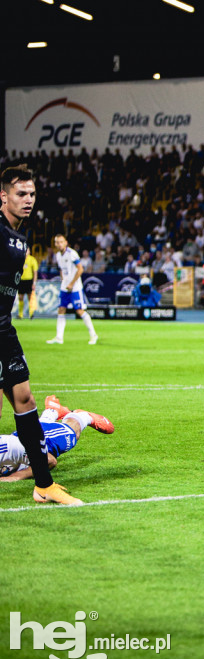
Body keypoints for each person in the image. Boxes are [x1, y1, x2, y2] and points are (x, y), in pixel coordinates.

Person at [0, 165, 82, 504]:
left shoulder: (22, 235)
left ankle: (44, 485)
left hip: (4, 329)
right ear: (3, 196)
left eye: (32, 194)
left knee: (25, 401)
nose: (28, 200)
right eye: (21, 194)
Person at [0, 395, 114, 481]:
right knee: (35, 431)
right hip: (17, 452)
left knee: (70, 433)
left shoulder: (8, 448)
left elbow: (49, 461)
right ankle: (52, 410)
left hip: (35, 443)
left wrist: (16, 477)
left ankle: (83, 417)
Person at [47, 234, 99, 345]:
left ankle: (93, 335)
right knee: (61, 309)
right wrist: (63, 281)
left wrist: (71, 283)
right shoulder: (58, 256)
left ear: (65, 242)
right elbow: (61, 269)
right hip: (65, 287)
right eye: (57, 242)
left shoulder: (72, 254)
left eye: (61, 242)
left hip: (75, 288)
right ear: (55, 244)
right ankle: (59, 337)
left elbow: (80, 269)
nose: (59, 244)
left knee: (79, 310)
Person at [17, 249, 38, 320]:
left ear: (29, 251)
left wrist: (34, 283)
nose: (26, 252)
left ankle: (31, 314)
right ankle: (20, 314)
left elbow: (35, 272)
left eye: (27, 250)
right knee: (20, 297)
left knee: (30, 297)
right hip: (21, 280)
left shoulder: (32, 259)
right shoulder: (20, 259)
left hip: (29, 280)